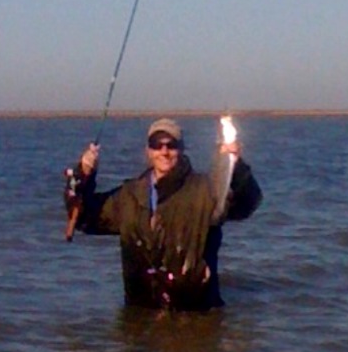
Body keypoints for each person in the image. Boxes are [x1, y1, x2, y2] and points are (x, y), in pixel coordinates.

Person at [64, 117, 262, 311]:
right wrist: (83, 176)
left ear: (181, 149)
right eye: (157, 145)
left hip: (196, 316)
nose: (164, 152)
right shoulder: (130, 195)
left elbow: (246, 205)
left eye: (171, 145)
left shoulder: (205, 190)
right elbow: (83, 217)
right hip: (140, 316)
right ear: (148, 151)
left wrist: (236, 168)